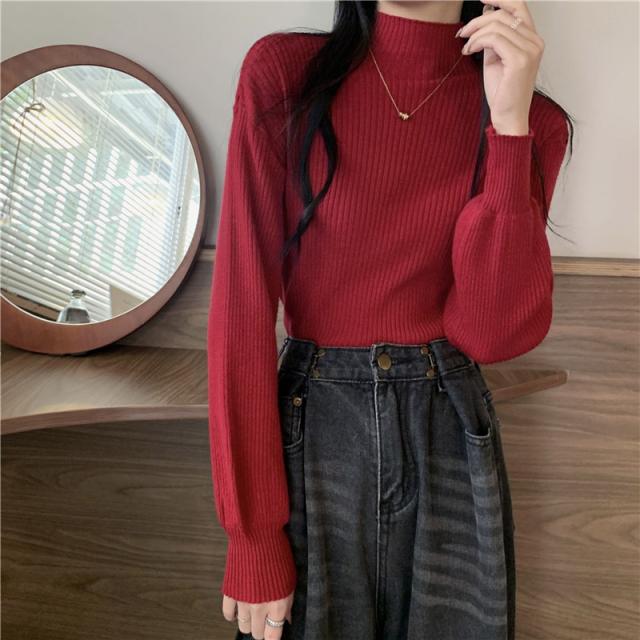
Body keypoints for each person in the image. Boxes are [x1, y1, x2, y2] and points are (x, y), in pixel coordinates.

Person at [207, 1, 573, 638]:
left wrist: (510, 127)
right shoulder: (285, 75)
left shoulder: (532, 120)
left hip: (451, 434)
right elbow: (241, 304)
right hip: (313, 432)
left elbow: (491, 334)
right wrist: (254, 535)